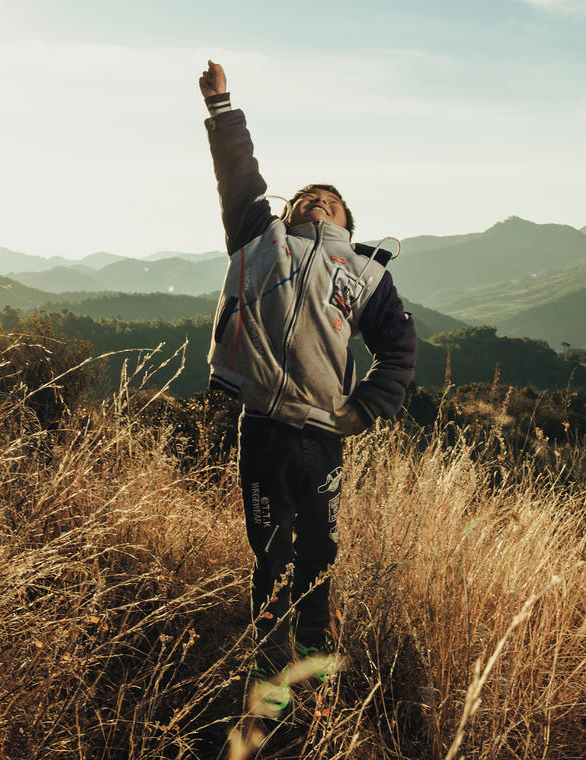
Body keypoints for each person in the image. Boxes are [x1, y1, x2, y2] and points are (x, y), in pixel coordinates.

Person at [198, 61, 418, 711]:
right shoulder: (259, 239)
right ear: (288, 211)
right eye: (305, 197)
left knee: (318, 553)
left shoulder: (365, 272)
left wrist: (368, 406)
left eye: (330, 199)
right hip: (262, 426)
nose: (317, 200)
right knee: (269, 554)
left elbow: (400, 347)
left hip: (323, 436)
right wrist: (222, 105)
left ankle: (316, 677)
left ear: (348, 220)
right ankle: (270, 684)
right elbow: (240, 174)